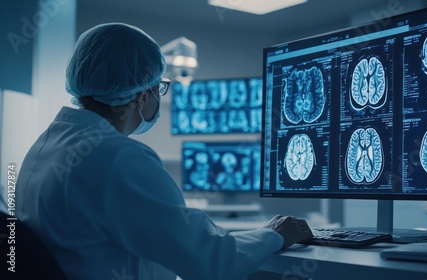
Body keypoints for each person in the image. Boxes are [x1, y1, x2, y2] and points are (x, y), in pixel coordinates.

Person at [15, 23, 313, 280]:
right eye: (160, 87)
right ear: (142, 95)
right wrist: (276, 234)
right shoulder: (119, 158)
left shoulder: (43, 147)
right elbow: (211, 262)